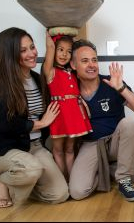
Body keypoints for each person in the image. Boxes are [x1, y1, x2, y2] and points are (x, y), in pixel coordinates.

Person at [0, 27, 69, 208]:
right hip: (3, 150)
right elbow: (7, 124)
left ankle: (20, 182)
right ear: (10, 54)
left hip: (34, 147)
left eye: (33, 47)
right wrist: (41, 123)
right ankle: (2, 181)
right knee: (32, 169)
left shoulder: (37, 79)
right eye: (23, 50)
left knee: (59, 194)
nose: (32, 53)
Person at [68, 39, 134, 202]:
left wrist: (121, 88)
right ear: (73, 65)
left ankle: (124, 180)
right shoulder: (70, 88)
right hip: (91, 144)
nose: (91, 65)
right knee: (78, 192)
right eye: (85, 61)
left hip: (115, 142)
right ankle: (109, 173)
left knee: (129, 124)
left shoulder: (112, 83)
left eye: (94, 60)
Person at [42, 32, 93, 180]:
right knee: (58, 150)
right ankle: (62, 182)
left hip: (74, 113)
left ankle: (72, 181)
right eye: (61, 50)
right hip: (59, 113)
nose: (64, 54)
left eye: (68, 51)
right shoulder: (50, 71)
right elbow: (50, 47)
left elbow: (78, 52)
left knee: (70, 149)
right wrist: (49, 35)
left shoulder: (72, 71)